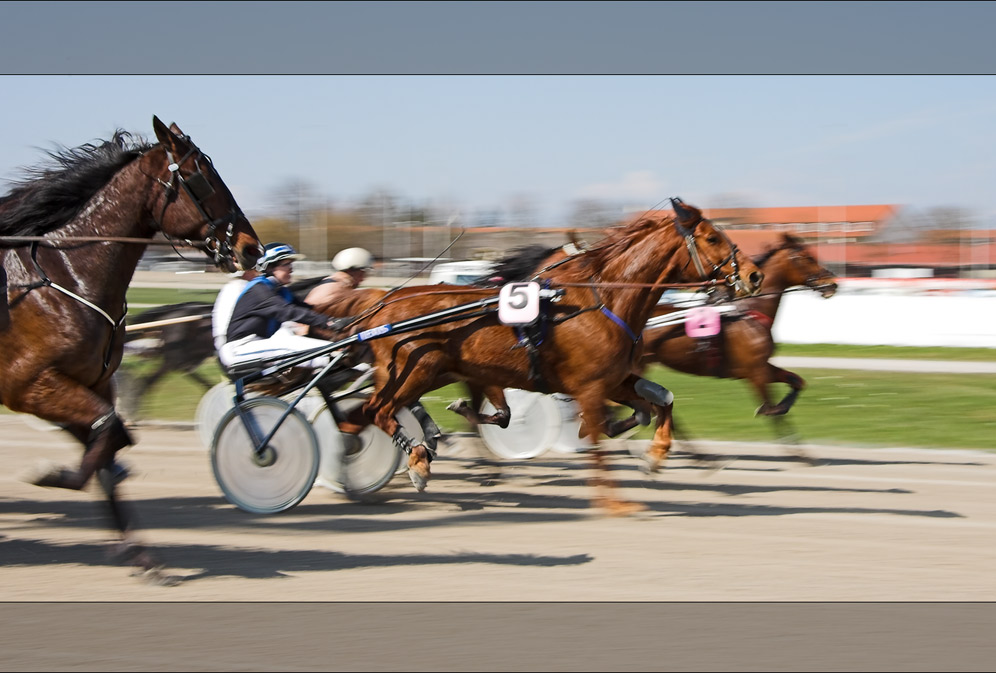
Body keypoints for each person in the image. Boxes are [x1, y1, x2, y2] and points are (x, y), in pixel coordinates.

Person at [219, 242, 350, 371]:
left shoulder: (280, 291)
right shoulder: (258, 289)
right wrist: (328, 322)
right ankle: (339, 359)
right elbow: (287, 311)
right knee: (298, 345)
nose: (291, 269)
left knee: (329, 348)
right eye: (286, 264)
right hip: (239, 349)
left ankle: (339, 362)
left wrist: (344, 318)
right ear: (269, 267)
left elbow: (308, 310)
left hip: (258, 345)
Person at [304, 247, 375, 309]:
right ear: (350, 271)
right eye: (362, 274)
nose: (363, 279)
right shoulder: (339, 289)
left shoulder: (331, 283)